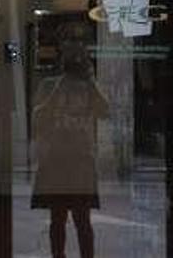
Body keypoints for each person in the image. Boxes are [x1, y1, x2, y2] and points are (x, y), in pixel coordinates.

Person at [30, 22, 110, 258]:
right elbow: (37, 117)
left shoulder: (89, 87)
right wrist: (60, 86)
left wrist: (91, 79)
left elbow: (106, 111)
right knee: (57, 219)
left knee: (82, 220)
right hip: (56, 158)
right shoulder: (48, 85)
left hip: (81, 158)